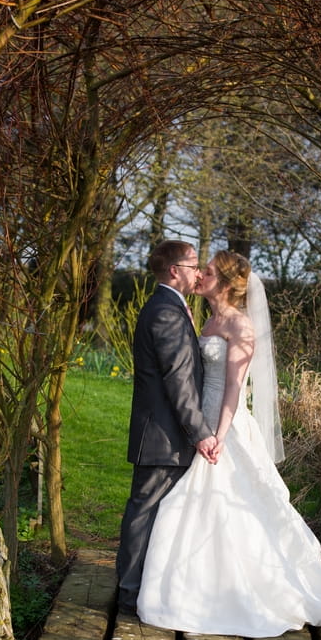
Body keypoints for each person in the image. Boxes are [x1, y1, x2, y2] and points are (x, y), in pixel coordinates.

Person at [137, 250, 321, 636]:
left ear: (228, 283)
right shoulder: (209, 320)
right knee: (195, 506)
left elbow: (235, 387)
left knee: (230, 504)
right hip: (200, 421)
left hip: (225, 425)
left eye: (210, 272)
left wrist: (217, 433)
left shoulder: (240, 326)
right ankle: (204, 583)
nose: (201, 275)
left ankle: (248, 590)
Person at [115, 240, 219, 617]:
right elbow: (178, 380)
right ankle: (129, 597)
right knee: (143, 514)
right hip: (163, 436)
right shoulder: (166, 313)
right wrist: (201, 432)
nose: (199, 272)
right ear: (174, 270)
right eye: (193, 265)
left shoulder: (171, 308)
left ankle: (144, 592)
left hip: (164, 434)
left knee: (153, 514)